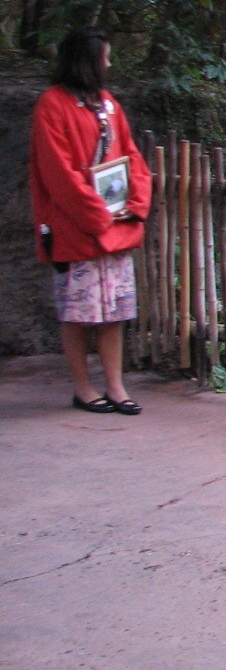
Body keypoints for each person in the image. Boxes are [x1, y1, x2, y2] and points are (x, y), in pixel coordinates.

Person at [29, 25, 153, 414]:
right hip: (75, 227)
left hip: (116, 226)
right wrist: (97, 214)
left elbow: (132, 156)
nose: (110, 64)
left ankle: (115, 386)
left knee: (115, 312)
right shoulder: (51, 104)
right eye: (106, 58)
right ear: (88, 61)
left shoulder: (108, 104)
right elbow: (57, 172)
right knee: (77, 313)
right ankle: (83, 387)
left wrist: (135, 203)